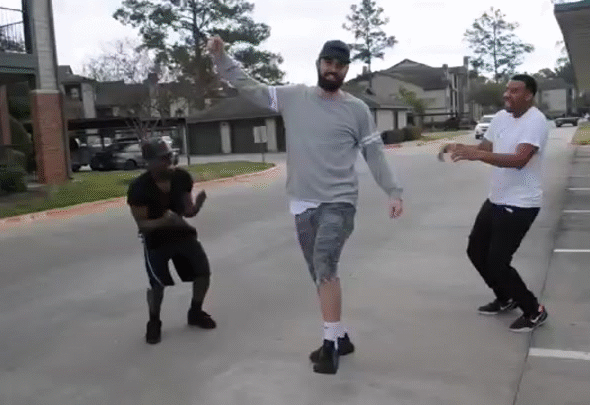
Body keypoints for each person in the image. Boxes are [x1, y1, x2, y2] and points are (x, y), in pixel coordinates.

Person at [206, 37, 404, 374]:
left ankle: (330, 345)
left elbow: (374, 153)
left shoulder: (357, 110)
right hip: (302, 203)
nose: (333, 69)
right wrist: (221, 57)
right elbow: (250, 87)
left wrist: (393, 191)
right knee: (319, 273)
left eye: (339, 65)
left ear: (346, 70)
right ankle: (341, 337)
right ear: (319, 63)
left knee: (324, 263)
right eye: (328, 62)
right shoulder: (294, 97)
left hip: (339, 203)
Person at [439, 74, 549, 333]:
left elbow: (519, 159)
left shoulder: (535, 121)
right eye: (507, 90)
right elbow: (485, 147)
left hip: (521, 203)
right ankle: (505, 296)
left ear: (529, 95)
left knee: (498, 261)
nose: (507, 95)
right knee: (476, 251)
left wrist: (477, 155)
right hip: (496, 199)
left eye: (515, 91)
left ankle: (534, 310)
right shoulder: (500, 118)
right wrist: (462, 148)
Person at [127, 138, 216, 344]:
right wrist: (164, 220)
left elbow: (188, 211)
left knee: (203, 272)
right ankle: (154, 321)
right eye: (163, 159)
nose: (168, 162)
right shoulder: (139, 188)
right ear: (149, 162)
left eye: (169, 157)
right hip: (156, 239)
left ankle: (195, 312)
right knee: (157, 284)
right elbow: (142, 225)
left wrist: (196, 207)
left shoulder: (181, 178)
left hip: (181, 233)